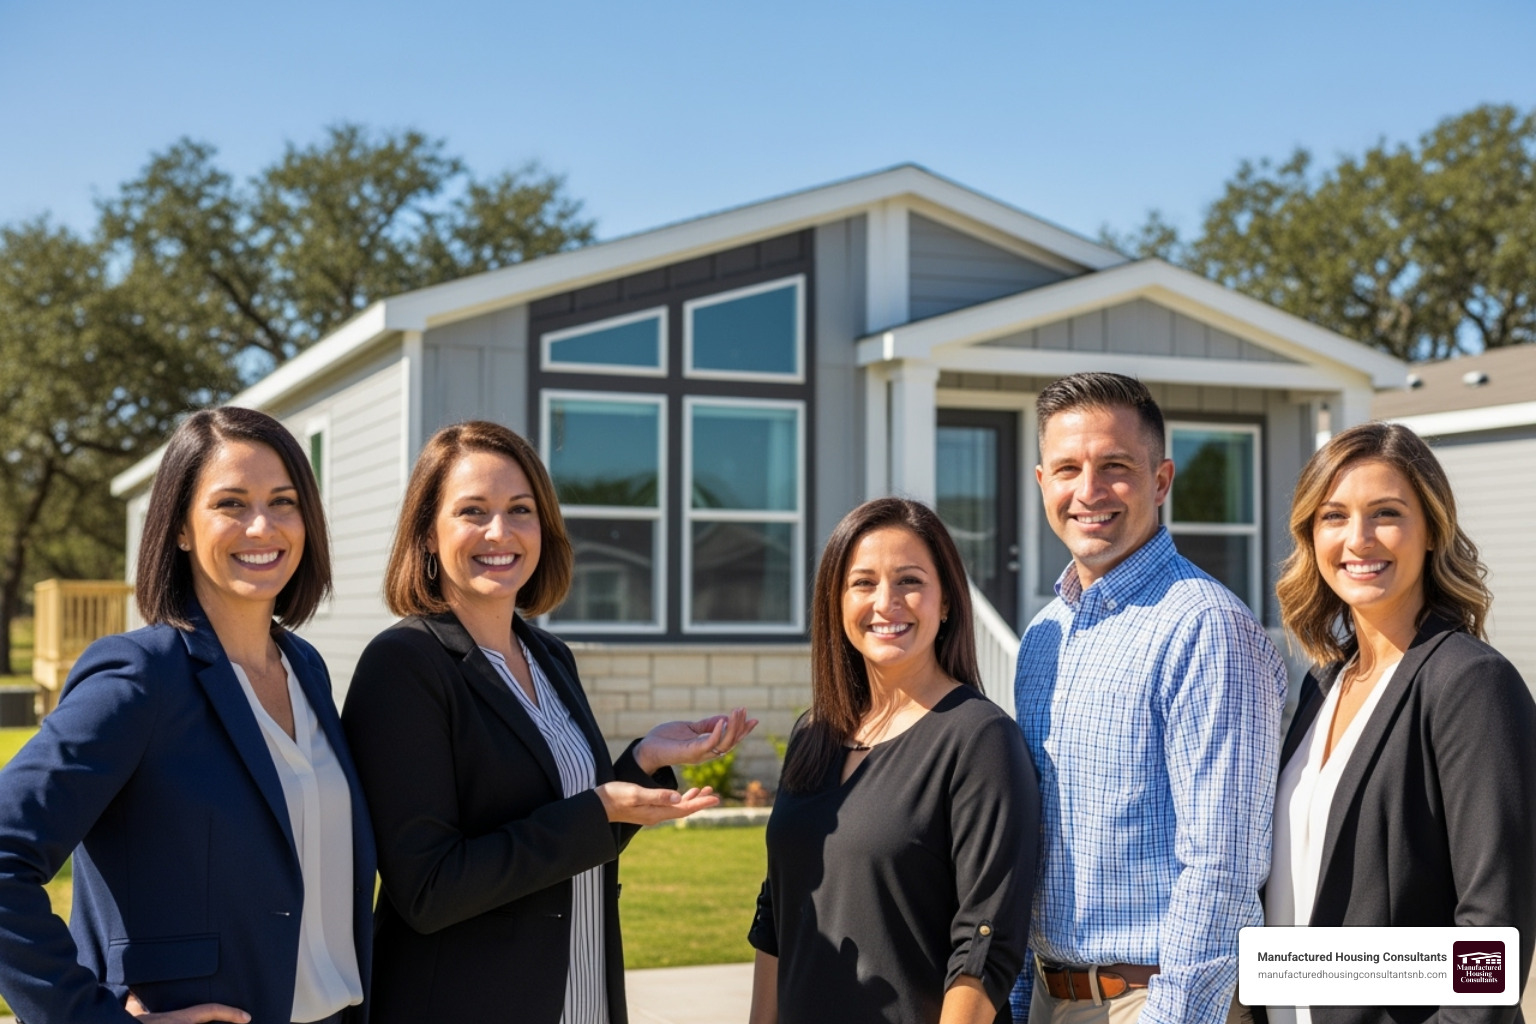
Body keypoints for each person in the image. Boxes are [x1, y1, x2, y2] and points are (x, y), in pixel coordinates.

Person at [341, 420, 754, 1024]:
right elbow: (429, 888)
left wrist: (643, 762)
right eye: (472, 511)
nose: (499, 532)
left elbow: (572, 831)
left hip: (582, 999)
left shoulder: (548, 656)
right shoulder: (404, 665)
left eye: (520, 510)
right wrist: (598, 808)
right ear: (428, 533)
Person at [0, 407, 375, 1024]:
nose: (263, 525)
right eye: (231, 503)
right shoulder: (140, 676)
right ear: (179, 528)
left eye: (284, 502)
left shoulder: (306, 668)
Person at [1012, 372, 1286, 1024]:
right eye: (1068, 468)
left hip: (1157, 1003)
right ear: (1042, 482)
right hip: (1055, 1000)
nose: (1088, 491)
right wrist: (1026, 996)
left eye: (1115, 467)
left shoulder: (1205, 627)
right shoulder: (1043, 638)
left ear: (1161, 481)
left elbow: (1222, 866)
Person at [1264, 422, 1536, 1024]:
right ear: (1312, 535)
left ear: (1432, 530)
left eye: (1385, 513)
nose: (1358, 539)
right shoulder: (1323, 682)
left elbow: (1493, 937)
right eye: (1333, 516)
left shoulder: (1470, 684)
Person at [747, 497, 1039, 1024]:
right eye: (863, 583)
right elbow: (777, 912)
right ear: (835, 603)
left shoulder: (980, 739)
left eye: (909, 581)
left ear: (946, 601)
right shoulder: (813, 734)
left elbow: (985, 945)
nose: (887, 602)